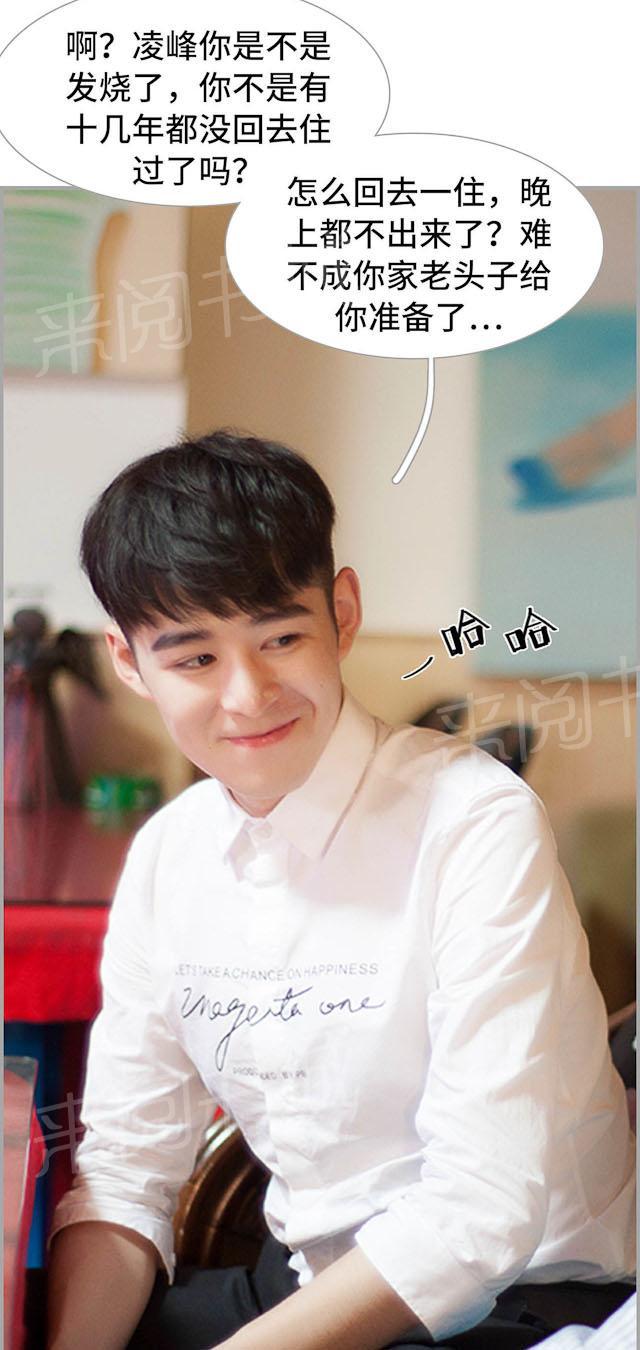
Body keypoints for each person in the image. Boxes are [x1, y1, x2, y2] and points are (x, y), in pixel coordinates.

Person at [47, 431, 635, 1350]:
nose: (248, 695)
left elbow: (480, 1211)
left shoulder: (474, 820)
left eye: (281, 638)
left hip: (515, 1299)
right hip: (302, 1283)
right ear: (129, 662)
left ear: (343, 613)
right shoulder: (170, 854)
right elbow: (127, 1170)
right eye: (195, 660)